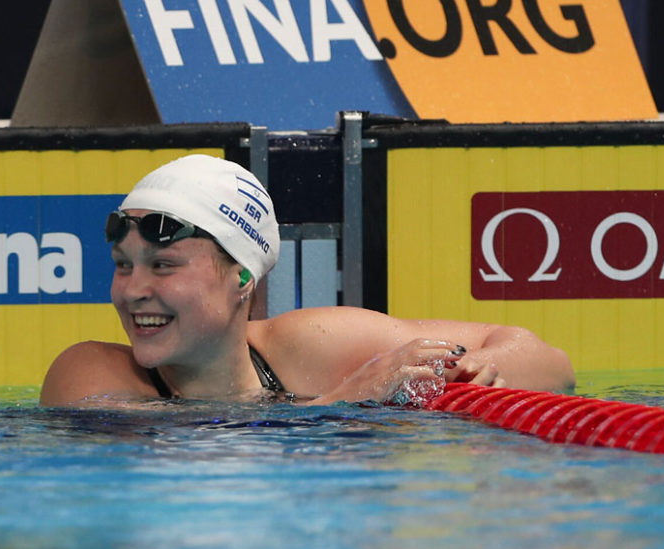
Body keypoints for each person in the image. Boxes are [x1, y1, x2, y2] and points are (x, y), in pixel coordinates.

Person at [40, 155, 573, 406]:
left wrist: (482, 368)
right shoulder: (89, 375)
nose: (133, 291)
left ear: (243, 276)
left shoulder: (314, 345)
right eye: (123, 265)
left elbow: (552, 364)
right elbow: (185, 446)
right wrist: (344, 401)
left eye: (163, 265)